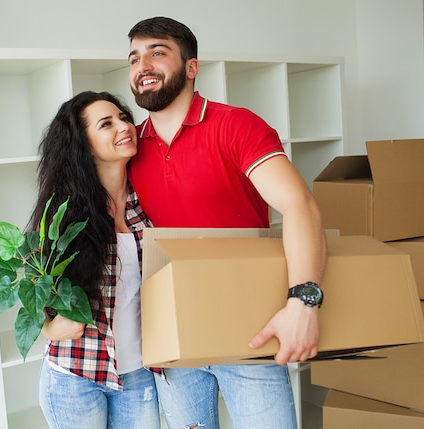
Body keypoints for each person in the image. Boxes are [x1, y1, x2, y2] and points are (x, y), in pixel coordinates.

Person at [126, 17, 328, 429]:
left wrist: (304, 302)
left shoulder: (236, 126)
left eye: (157, 52)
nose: (142, 65)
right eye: (134, 57)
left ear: (192, 67)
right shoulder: (129, 148)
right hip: (173, 333)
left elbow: (300, 205)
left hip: (248, 329)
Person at [31, 91, 160, 429]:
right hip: (76, 376)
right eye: (107, 123)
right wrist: (48, 325)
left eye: (123, 117)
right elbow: (33, 284)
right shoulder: (65, 214)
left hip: (138, 374)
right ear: (84, 146)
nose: (124, 126)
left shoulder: (146, 207)